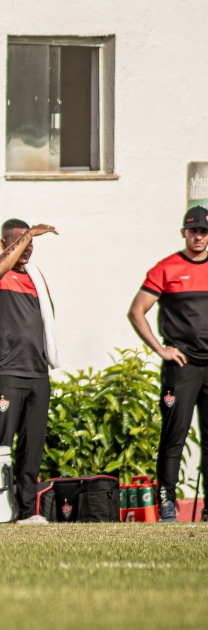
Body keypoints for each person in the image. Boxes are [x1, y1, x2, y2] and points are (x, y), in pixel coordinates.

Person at [0, 218, 59, 523]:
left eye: (30, 242)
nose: (27, 247)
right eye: (19, 241)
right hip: (4, 371)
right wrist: (30, 234)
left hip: (37, 372)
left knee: (32, 445)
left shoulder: (36, 277)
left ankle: (26, 512)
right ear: (5, 244)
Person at [128, 206, 208, 522]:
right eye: (193, 231)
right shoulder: (167, 268)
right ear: (184, 233)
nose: (198, 236)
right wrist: (161, 350)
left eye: (204, 231)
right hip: (182, 367)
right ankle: (167, 506)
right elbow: (137, 311)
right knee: (173, 438)